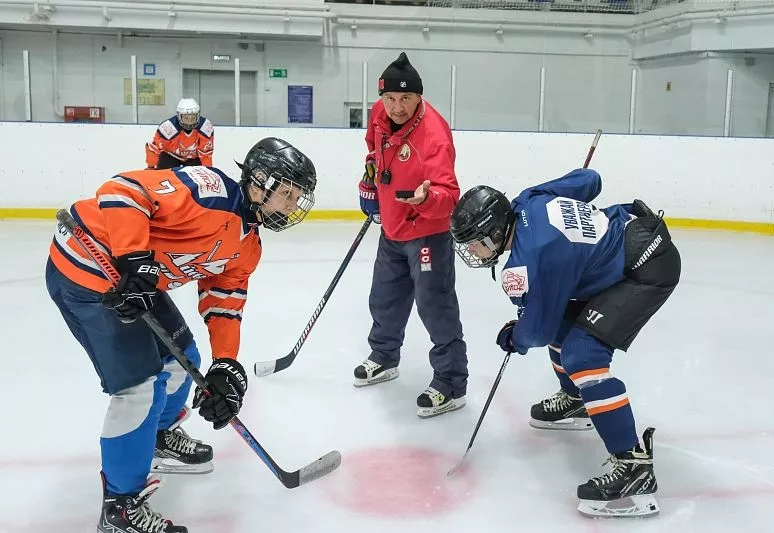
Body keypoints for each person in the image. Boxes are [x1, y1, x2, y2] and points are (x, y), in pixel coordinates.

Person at [46, 138, 317, 532]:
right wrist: (134, 258)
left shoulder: (248, 245)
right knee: (138, 389)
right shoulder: (208, 191)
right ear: (259, 183)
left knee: (182, 357)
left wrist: (226, 365)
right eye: (287, 194)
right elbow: (123, 192)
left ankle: (157, 436)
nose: (292, 206)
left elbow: (224, 301)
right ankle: (120, 507)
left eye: (297, 197)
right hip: (90, 271)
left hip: (137, 282)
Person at [449, 167, 681, 517]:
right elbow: (591, 180)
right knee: (562, 321)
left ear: (495, 232)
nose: (472, 251)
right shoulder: (530, 198)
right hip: (630, 235)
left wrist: (515, 336)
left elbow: (537, 332)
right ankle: (575, 399)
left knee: (582, 355)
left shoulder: (529, 263)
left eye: (474, 242)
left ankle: (634, 467)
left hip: (645, 268)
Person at [355, 52, 468, 419]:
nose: (396, 107)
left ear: (419, 97)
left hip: (426, 234)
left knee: (435, 306)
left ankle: (451, 383)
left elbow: (449, 195)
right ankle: (384, 356)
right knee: (384, 297)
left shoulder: (434, 134)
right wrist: (370, 179)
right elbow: (374, 151)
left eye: (405, 99)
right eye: (390, 98)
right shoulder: (378, 113)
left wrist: (427, 198)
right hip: (392, 227)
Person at [145, 98, 214, 170]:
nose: (189, 122)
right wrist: (151, 167)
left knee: (197, 176)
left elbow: (206, 155)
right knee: (163, 174)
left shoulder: (205, 127)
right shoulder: (168, 128)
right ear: (179, 116)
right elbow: (154, 149)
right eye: (186, 118)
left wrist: (208, 171)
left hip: (193, 159)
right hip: (170, 156)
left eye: (193, 118)